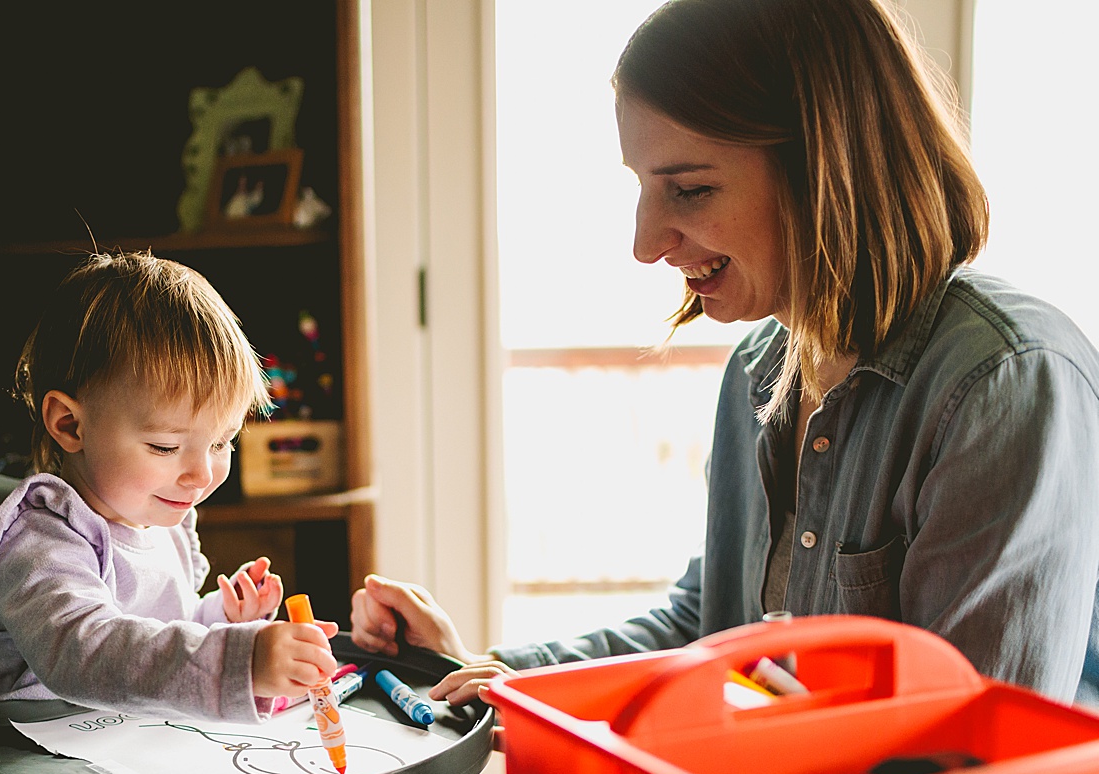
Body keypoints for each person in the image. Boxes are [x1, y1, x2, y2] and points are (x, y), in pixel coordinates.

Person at [351, 0, 1099, 714]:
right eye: (644, 189)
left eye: (691, 189)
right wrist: (488, 673)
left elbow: (967, 750)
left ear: (828, 166)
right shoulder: (759, 371)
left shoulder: (1006, 381)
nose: (645, 244)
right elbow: (711, 634)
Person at [0, 249, 335, 774]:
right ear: (69, 426)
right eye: (164, 444)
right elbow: (86, 650)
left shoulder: (163, 519)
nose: (202, 471)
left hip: (114, 768)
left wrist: (220, 620)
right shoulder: (43, 532)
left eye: (223, 441)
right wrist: (236, 659)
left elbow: (160, 634)